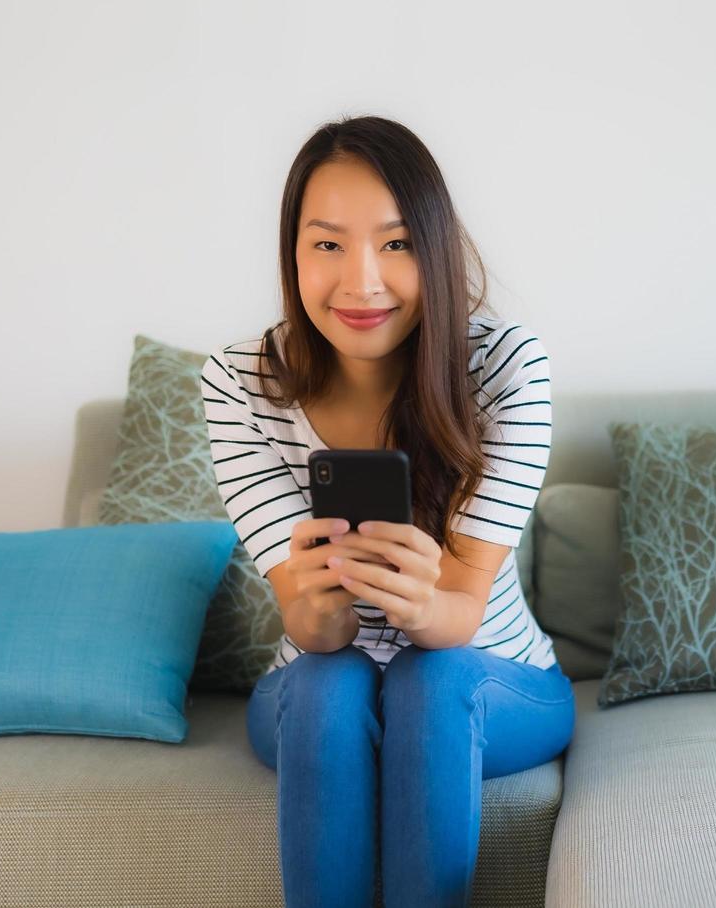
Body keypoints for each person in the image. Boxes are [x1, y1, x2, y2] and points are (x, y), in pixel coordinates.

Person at [200, 115, 573, 908]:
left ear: (434, 250)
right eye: (327, 244)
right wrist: (319, 609)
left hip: (492, 675)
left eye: (396, 244)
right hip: (312, 687)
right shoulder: (240, 382)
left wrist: (427, 600)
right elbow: (312, 634)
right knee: (333, 681)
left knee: (428, 678)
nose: (362, 282)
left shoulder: (507, 367)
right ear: (292, 254)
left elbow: (461, 614)